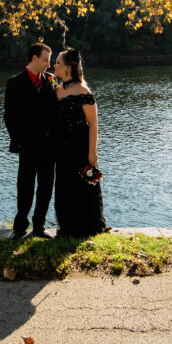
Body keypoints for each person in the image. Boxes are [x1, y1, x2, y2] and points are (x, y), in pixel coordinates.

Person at [52, 48, 108, 237]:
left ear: (68, 67)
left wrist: (93, 152)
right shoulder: (56, 91)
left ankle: (87, 228)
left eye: (58, 62)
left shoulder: (84, 91)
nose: (54, 65)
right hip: (61, 148)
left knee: (83, 187)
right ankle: (67, 228)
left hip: (81, 147)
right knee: (64, 187)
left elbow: (93, 124)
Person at [4, 43, 56, 239]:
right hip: (27, 146)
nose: (48, 64)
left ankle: (39, 226)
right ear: (34, 58)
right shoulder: (15, 83)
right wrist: (18, 141)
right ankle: (19, 228)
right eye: (45, 59)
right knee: (25, 187)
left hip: (48, 146)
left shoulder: (50, 81)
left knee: (46, 187)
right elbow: (9, 116)